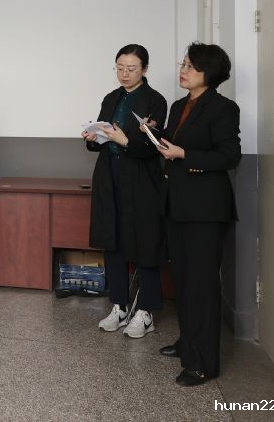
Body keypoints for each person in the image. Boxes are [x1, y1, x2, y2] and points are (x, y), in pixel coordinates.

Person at [156, 42, 241, 387]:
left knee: (202, 285)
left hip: (206, 209)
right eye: (183, 64)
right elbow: (171, 144)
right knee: (183, 280)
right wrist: (153, 134)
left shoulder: (223, 108)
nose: (183, 70)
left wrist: (183, 155)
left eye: (191, 66)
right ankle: (187, 342)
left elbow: (229, 156)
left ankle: (204, 363)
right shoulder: (179, 106)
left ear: (209, 72)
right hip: (176, 205)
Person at [83, 44, 167, 339]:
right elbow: (103, 139)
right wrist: (93, 137)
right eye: (120, 68)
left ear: (144, 69)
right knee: (113, 238)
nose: (124, 74)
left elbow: (154, 146)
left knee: (146, 242)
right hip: (110, 176)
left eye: (131, 68)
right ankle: (119, 305)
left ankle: (146, 311)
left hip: (141, 179)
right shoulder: (111, 98)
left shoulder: (155, 100)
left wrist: (125, 141)